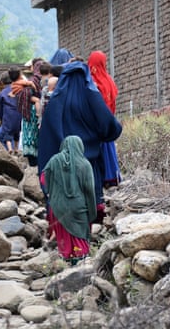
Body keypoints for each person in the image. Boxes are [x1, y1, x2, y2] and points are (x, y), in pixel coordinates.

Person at [38, 61, 122, 224]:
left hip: (66, 159)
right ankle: (88, 229)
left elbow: (47, 134)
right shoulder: (92, 97)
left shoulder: (56, 100)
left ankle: (66, 229)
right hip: (90, 159)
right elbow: (109, 124)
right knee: (89, 193)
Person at [43, 135, 97, 264]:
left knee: (64, 240)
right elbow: (89, 191)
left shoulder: (54, 160)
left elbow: (43, 178)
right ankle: (80, 262)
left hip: (57, 207)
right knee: (80, 238)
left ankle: (66, 261)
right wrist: (92, 212)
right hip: (78, 208)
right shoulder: (85, 164)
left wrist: (52, 190)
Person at [88, 50, 121, 187]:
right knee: (109, 147)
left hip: (95, 122)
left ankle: (100, 178)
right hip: (109, 120)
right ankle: (112, 176)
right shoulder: (109, 81)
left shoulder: (91, 81)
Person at [12, 57, 44, 166]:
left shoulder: (33, 80)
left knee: (31, 137)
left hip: (30, 113)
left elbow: (22, 94)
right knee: (37, 137)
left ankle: (33, 163)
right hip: (37, 112)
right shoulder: (41, 79)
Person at [0, 67, 22, 154]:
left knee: (7, 133)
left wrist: (1, 119)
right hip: (19, 115)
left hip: (8, 116)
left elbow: (0, 109)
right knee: (17, 132)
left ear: (2, 82)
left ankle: (9, 149)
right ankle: (16, 148)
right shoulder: (19, 89)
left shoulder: (3, 93)